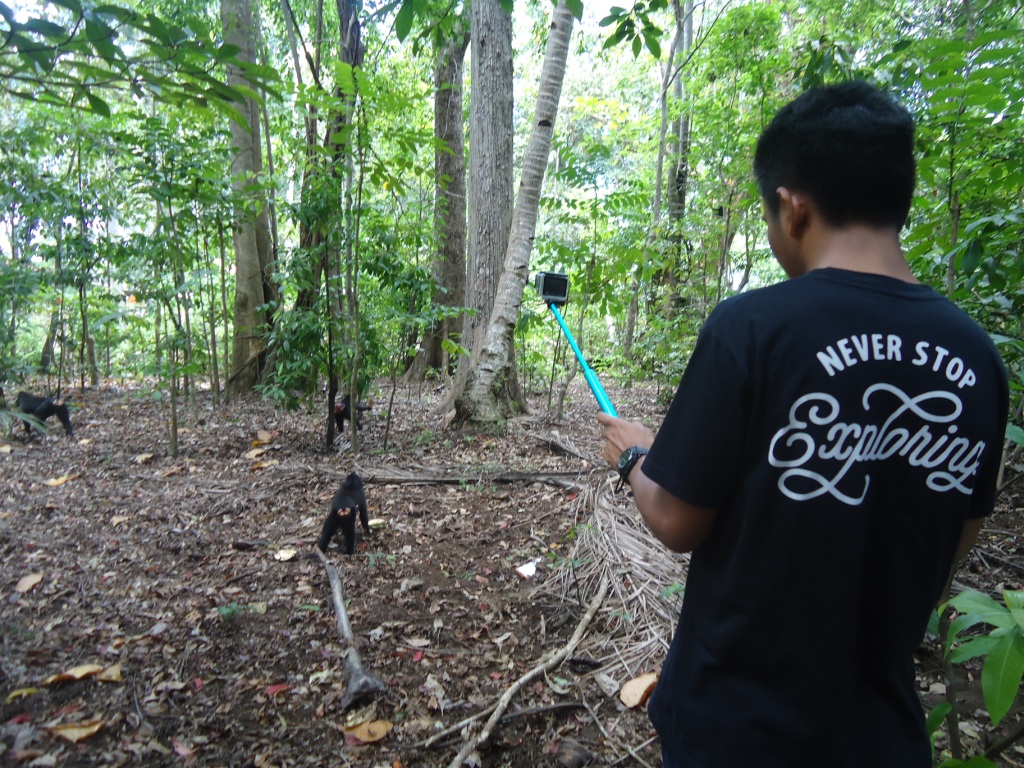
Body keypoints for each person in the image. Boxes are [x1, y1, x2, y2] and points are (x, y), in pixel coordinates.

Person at [598, 80, 1009, 768]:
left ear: (791, 207)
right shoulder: (977, 356)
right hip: (880, 737)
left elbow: (675, 520)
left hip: (735, 732)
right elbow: (948, 550)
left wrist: (635, 454)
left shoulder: (752, 329)